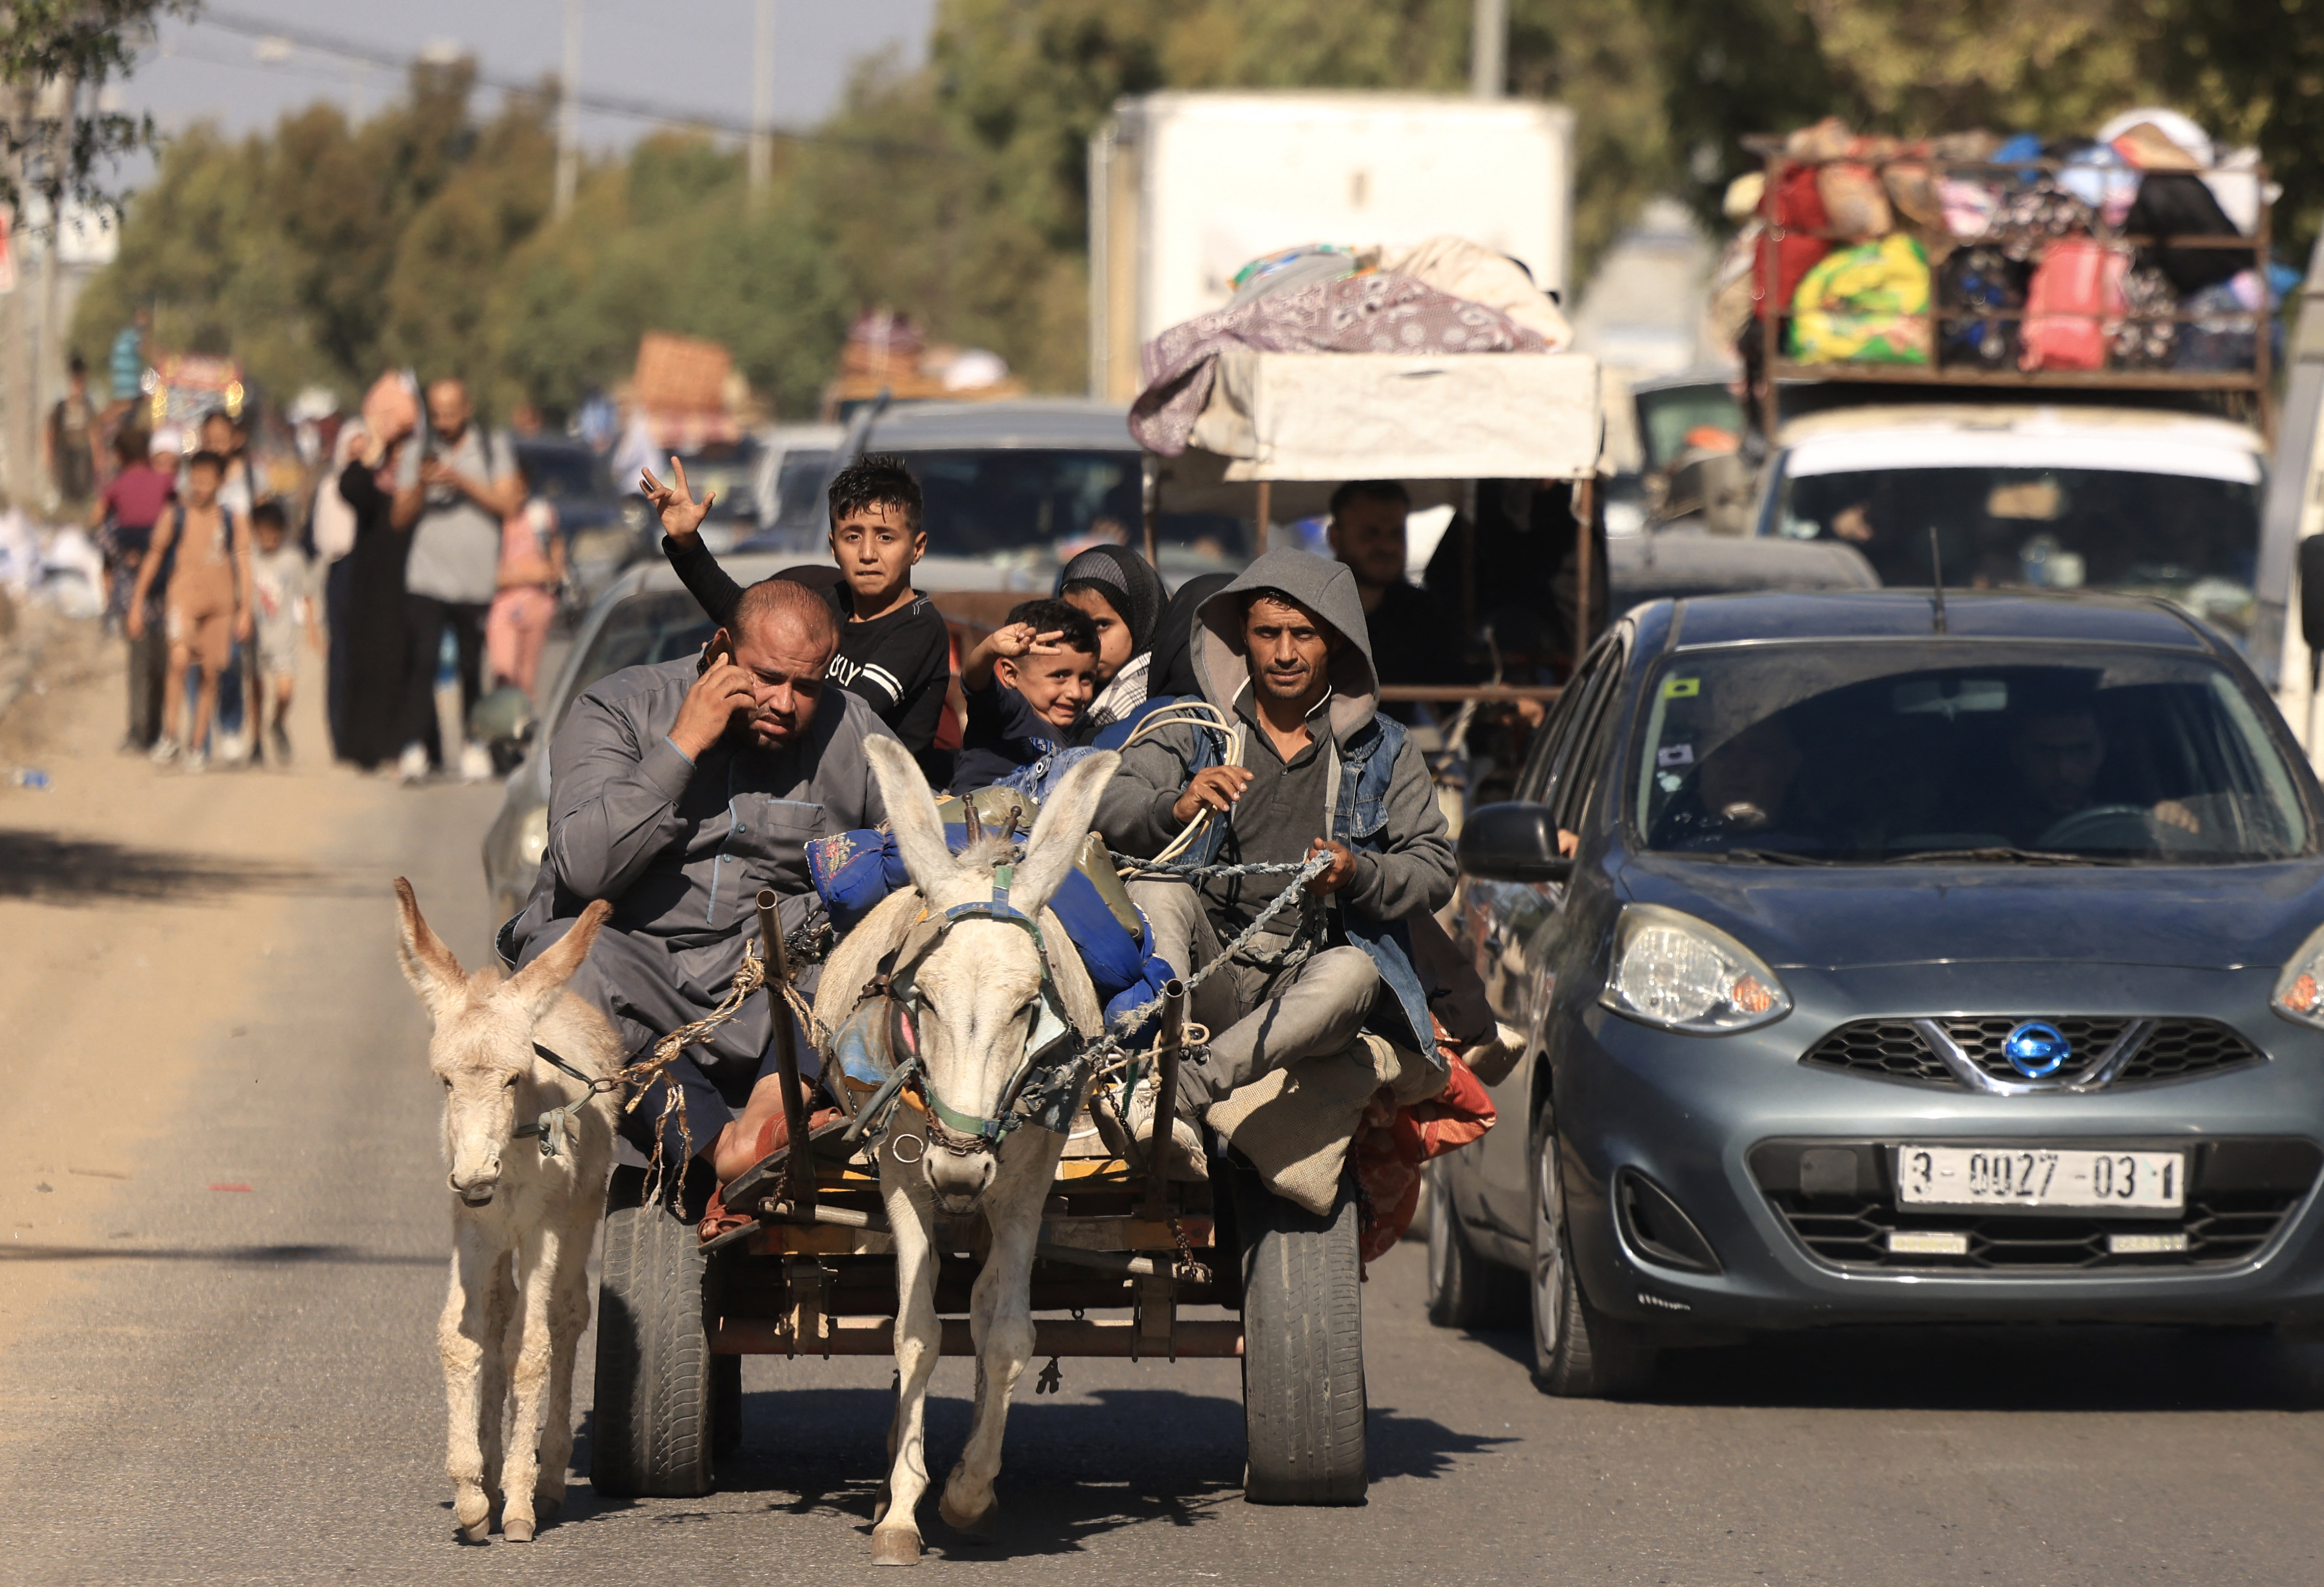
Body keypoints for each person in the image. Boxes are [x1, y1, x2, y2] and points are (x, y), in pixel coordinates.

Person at [501, 575, 894, 1183]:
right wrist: (683, 744)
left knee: (875, 937)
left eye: (806, 686)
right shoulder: (620, 709)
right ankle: (722, 1146)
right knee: (560, 960)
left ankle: (772, 1107)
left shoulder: (853, 730)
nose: (785, 703)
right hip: (644, 980)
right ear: (720, 651)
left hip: (783, 990)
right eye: (766, 678)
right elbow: (582, 867)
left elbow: (922, 842)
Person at [1095, 548, 1456, 1140]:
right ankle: (1155, 1060)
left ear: (1334, 642)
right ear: (1245, 637)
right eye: (1268, 634)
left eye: (1302, 635)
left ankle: (1181, 1090)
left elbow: (1435, 868)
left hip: (1304, 982)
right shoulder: (1196, 727)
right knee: (1158, 890)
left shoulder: (1385, 749)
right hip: (1203, 976)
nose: (1284, 653)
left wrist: (1356, 873)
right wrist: (1177, 804)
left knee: (1355, 972)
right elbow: (1109, 797)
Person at [656, 453, 953, 777]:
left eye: (886, 537)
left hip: (880, 801)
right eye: (853, 536)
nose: (868, 554)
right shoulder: (826, 601)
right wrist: (686, 543)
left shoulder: (919, 626)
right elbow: (743, 615)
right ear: (833, 547)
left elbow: (854, 714)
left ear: (918, 548)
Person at [395, 378, 523, 782]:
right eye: (436, 412)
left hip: (475, 581)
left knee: (471, 666)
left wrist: (460, 480)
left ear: (467, 408)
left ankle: (474, 746)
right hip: (426, 576)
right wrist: (422, 482)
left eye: (451, 411)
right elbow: (399, 518)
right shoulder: (418, 451)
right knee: (424, 661)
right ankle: (416, 747)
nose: (444, 420)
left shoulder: (491, 447)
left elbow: (507, 504)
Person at [129, 451, 251, 771]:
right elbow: (154, 557)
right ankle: (170, 735)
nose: (199, 487)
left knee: (211, 673)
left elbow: (244, 564)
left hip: (221, 605)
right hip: (182, 599)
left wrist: (246, 610)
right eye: (195, 479)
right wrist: (137, 602)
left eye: (206, 481)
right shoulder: (176, 515)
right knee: (180, 660)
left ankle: (197, 744)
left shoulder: (232, 519)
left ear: (220, 483)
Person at [1326, 480, 1473, 717]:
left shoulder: (1426, 615)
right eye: (1370, 533)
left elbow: (1455, 690)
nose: (1386, 546)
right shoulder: (1311, 613)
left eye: (1396, 533)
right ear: (1335, 537)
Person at [332, 421, 418, 772]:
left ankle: (405, 747)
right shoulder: (371, 484)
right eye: (393, 453)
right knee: (369, 668)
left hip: (414, 588)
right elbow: (349, 488)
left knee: (408, 669)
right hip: (372, 591)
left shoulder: (419, 489)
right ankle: (366, 748)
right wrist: (369, 455)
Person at [2001, 700, 2198, 847]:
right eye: (2046, 752)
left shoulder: (2143, 818)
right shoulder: (1982, 840)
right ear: (2017, 754)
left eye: (2080, 751)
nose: (2063, 769)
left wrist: (2173, 823)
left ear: (2103, 749)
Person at [951, 598, 1098, 792]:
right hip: (974, 817)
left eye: (1086, 678)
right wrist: (989, 649)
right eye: (1060, 676)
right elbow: (974, 681)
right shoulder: (1009, 711)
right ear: (1011, 675)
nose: (1076, 692)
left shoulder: (1069, 744)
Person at [92, 429, 175, 750]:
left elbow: (98, 519)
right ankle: (159, 730)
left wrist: (122, 556)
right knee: (162, 662)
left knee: (139, 663)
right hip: (165, 579)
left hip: (131, 584)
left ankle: (139, 732)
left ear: (120, 456)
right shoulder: (165, 483)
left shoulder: (117, 484)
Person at [1054, 543, 1167, 737]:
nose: (1085, 638)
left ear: (1140, 621)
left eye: (1102, 625)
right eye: (1073, 624)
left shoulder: (1121, 703)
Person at [244, 502, 309, 764]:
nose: (268, 539)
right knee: (257, 689)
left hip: (283, 636)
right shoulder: (249, 558)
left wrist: (312, 629)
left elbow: (306, 594)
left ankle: (278, 722)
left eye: (273, 533)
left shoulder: (292, 559)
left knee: (285, 691)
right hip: (255, 636)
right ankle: (256, 740)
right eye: (262, 533)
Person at [486, 488, 563, 702]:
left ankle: (521, 722)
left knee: (527, 677)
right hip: (502, 603)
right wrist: (525, 574)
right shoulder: (489, 519)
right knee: (504, 672)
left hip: (537, 602)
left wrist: (554, 570)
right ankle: (503, 717)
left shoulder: (539, 516)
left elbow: (556, 546)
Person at [46, 355, 101, 512]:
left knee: (83, 486)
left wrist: (98, 457)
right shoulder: (60, 407)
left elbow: (94, 431)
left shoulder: (88, 406)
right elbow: (51, 430)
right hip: (64, 451)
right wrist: (49, 454)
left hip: (83, 451)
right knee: (66, 486)